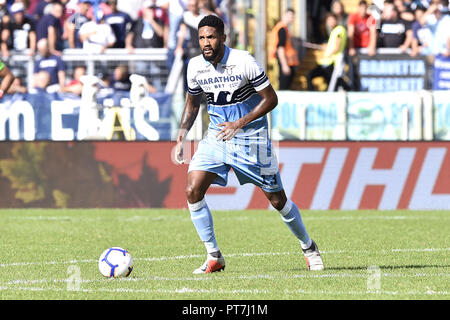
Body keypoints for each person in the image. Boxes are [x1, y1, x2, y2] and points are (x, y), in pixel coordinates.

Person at [174, 15, 324, 274]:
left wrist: (240, 123)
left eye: (211, 37)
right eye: (201, 38)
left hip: (251, 140)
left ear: (223, 37)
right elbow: (193, 103)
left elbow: (270, 99)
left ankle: (309, 247)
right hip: (217, 137)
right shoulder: (195, 66)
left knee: (277, 200)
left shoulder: (244, 61)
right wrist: (181, 135)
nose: (206, 43)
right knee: (192, 190)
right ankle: (214, 256)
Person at [307, 13, 349, 91]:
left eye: (331, 20)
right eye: (328, 21)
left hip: (332, 62)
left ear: (336, 20)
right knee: (333, 83)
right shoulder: (334, 31)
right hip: (328, 62)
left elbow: (337, 46)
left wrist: (329, 53)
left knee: (333, 83)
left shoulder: (339, 30)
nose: (329, 22)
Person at [270, 8, 300, 90]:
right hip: (284, 61)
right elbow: (280, 48)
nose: (292, 19)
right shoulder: (282, 29)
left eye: (293, 17)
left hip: (287, 61)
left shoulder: (284, 28)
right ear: (284, 15)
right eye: (290, 16)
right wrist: (284, 65)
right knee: (283, 86)